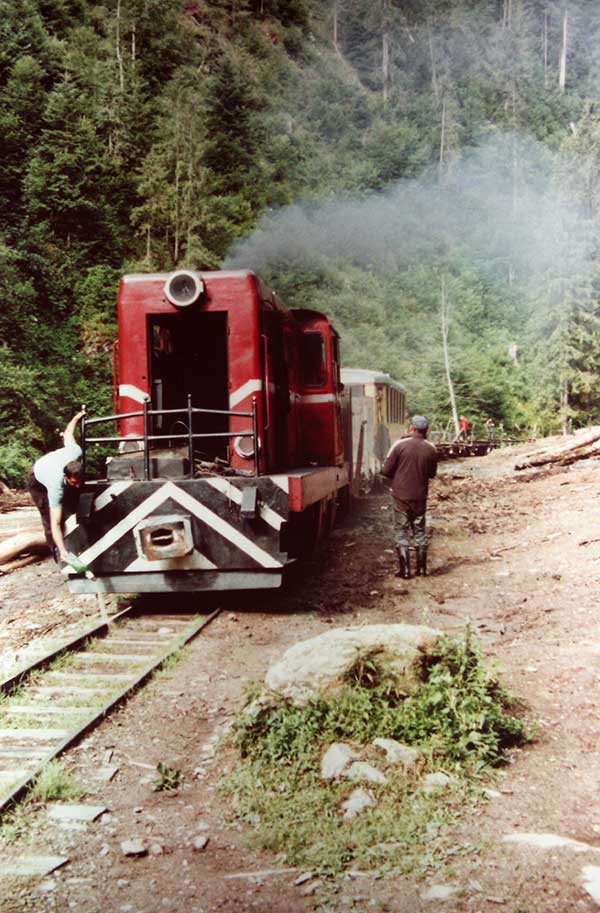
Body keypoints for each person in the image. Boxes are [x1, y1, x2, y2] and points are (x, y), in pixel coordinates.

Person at [382, 415, 438, 579]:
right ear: (425, 430)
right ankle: (421, 570)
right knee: (419, 530)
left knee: (401, 530)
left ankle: (405, 571)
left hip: (401, 495)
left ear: (412, 428)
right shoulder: (431, 448)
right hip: (420, 495)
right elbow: (432, 474)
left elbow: (386, 471)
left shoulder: (399, 445)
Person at [27, 409, 86, 562]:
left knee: (74, 501)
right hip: (38, 479)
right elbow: (55, 523)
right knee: (49, 517)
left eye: (79, 481)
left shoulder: (75, 452)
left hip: (55, 469)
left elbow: (68, 434)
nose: (78, 485)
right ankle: (60, 554)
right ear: (66, 477)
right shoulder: (56, 486)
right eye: (74, 482)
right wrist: (62, 549)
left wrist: (77, 417)